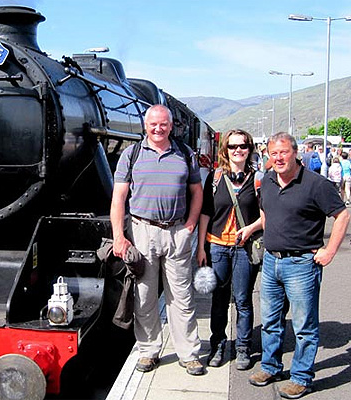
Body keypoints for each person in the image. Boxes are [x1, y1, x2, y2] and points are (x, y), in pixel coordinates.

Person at [248, 132, 349, 399]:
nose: (278, 158)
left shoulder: (316, 184)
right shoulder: (267, 180)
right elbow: (266, 211)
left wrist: (329, 251)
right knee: (270, 321)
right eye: (273, 153)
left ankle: (302, 378)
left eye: (283, 152)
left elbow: (342, 214)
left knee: (304, 327)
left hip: (302, 265)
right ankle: (270, 366)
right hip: (271, 262)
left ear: (296, 153)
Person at [110, 104, 204, 376]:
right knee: (144, 296)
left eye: (163, 124)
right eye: (153, 124)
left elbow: (196, 192)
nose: (158, 128)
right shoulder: (132, 154)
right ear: (145, 125)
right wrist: (119, 236)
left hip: (177, 231)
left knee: (182, 297)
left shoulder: (185, 154)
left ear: (171, 126)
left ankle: (188, 354)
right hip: (143, 231)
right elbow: (119, 197)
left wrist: (190, 225)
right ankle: (149, 350)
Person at [197, 129, 263, 371]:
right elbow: (205, 213)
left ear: (249, 149)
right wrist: (201, 247)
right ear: (225, 150)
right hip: (217, 247)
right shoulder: (214, 179)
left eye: (243, 146)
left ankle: (243, 348)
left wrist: (251, 228)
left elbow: (266, 215)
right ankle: (218, 345)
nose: (238, 150)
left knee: (244, 300)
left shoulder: (258, 179)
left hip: (244, 249)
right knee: (219, 300)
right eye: (233, 146)